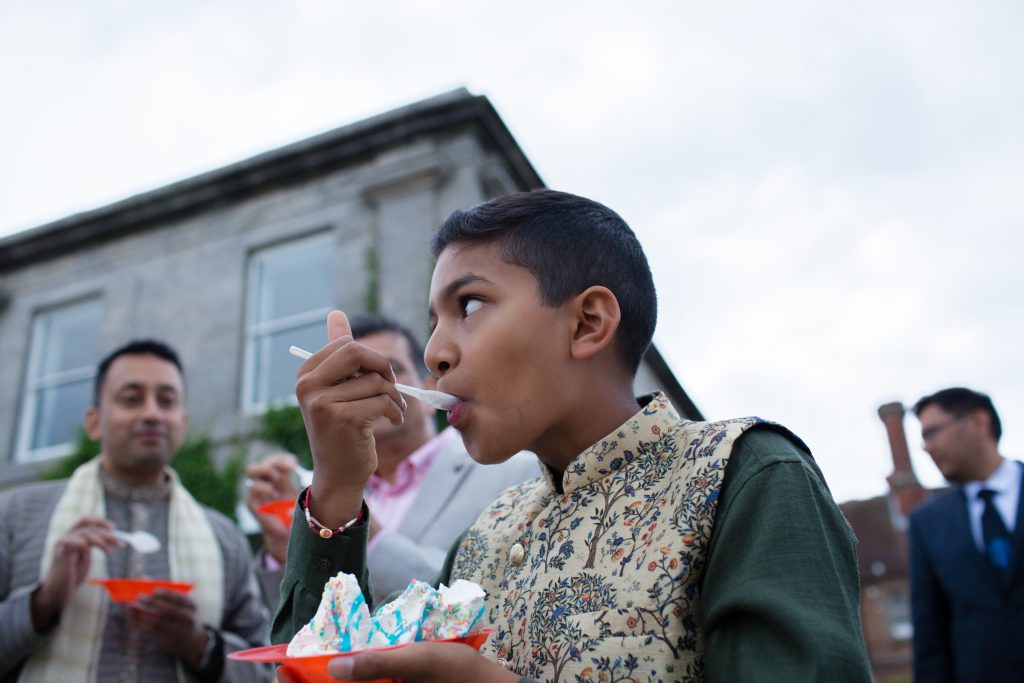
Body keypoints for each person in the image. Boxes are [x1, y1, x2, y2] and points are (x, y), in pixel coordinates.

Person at [273, 190, 871, 682]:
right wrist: (337, 485)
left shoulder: (748, 478)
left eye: (471, 304)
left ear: (587, 323)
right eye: (434, 323)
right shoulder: (485, 537)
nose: (434, 352)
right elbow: (322, 670)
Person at [0, 340, 272, 683]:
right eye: (131, 399)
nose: (152, 413)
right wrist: (42, 604)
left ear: (182, 424)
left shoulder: (224, 537)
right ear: (94, 421)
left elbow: (263, 670)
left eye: (167, 401)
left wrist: (198, 644)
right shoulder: (17, 514)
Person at [244, 314, 539, 609]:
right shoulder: (328, 493)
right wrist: (289, 547)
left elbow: (484, 596)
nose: (369, 386)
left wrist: (356, 525)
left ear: (429, 388)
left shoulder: (513, 471)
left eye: (390, 369)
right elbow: (299, 637)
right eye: (350, 377)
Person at [909, 387, 1024, 682]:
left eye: (932, 432)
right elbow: (930, 637)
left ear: (977, 421)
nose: (926, 447)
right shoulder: (926, 522)